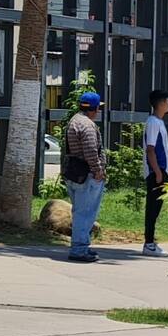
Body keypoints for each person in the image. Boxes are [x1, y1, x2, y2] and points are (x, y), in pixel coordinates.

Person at [64, 91, 106, 263]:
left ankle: (80, 246)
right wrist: (98, 170)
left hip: (75, 174)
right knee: (85, 213)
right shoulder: (87, 125)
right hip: (87, 175)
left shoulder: (73, 121)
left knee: (79, 211)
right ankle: (79, 249)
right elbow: (90, 151)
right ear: (94, 109)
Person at [142, 89, 168, 257]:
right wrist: (157, 172)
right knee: (152, 209)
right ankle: (149, 243)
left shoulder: (159, 122)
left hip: (161, 171)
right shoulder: (153, 122)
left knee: (157, 208)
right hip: (156, 172)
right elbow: (151, 150)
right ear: (160, 103)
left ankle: (151, 241)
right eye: (167, 101)